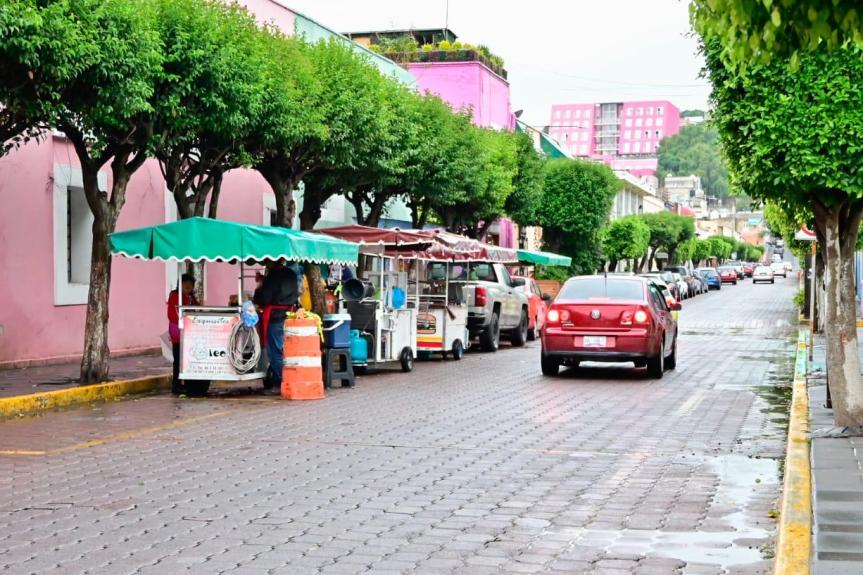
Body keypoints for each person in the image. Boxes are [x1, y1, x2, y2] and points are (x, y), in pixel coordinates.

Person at [254, 260, 299, 394]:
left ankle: (281, 383)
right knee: (282, 349)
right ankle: (278, 381)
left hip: (275, 316)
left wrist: (259, 289)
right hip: (288, 314)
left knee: (274, 351)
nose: (265, 263)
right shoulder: (290, 273)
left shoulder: (272, 277)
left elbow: (265, 298)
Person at [167, 274, 199, 395]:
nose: (188, 287)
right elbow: (172, 314)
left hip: (189, 332)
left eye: (190, 286)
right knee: (179, 360)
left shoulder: (190, 297)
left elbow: (197, 308)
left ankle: (187, 383)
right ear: (180, 285)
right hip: (179, 332)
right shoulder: (175, 296)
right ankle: (176, 385)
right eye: (186, 285)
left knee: (188, 359)